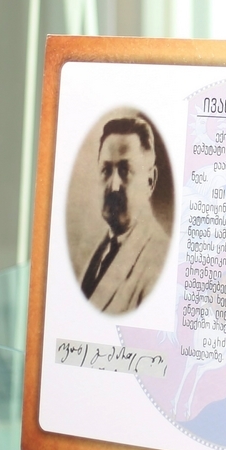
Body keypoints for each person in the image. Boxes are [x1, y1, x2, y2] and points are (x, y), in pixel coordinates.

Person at [79, 113, 170, 315]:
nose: (113, 186)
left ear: (150, 181)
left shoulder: (159, 262)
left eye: (125, 170)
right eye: (106, 170)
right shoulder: (101, 250)